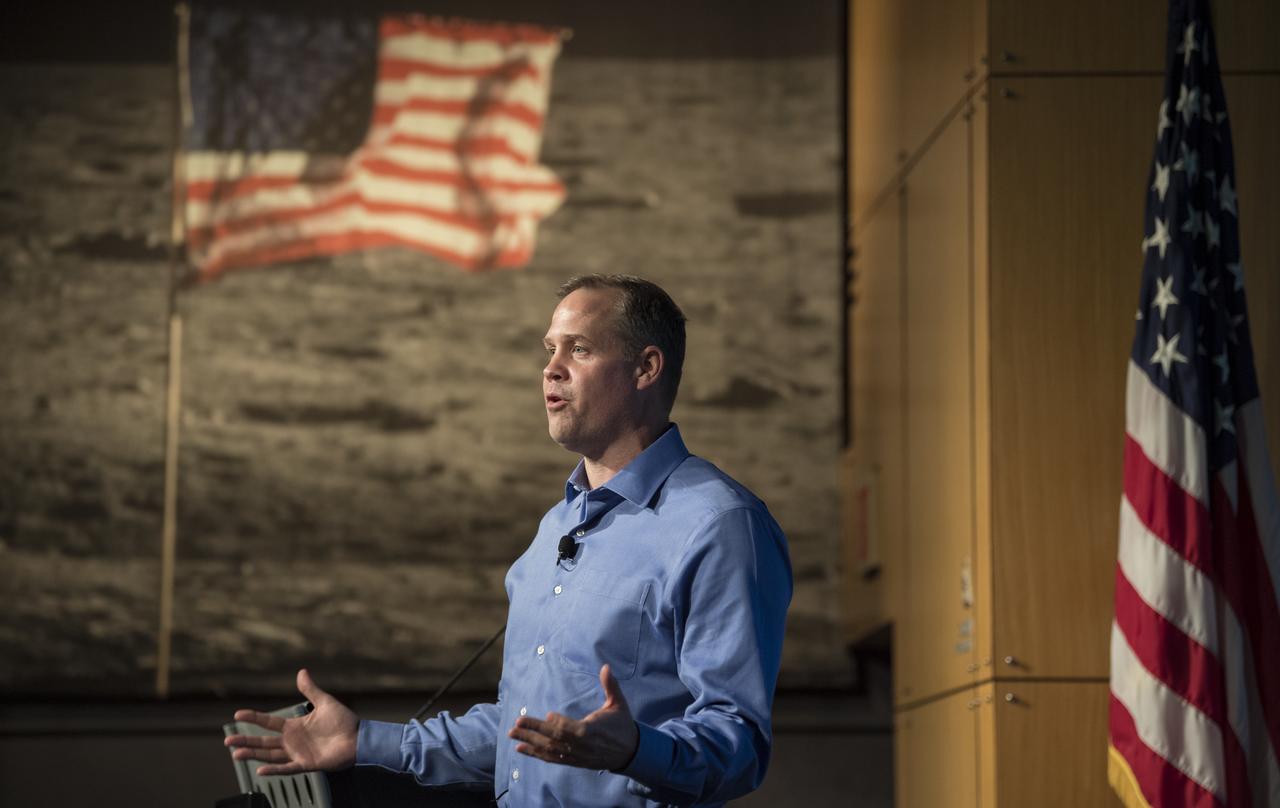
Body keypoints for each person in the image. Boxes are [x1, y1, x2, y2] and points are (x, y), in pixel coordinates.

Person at [225, 275, 793, 807]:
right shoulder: (555, 529)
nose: (551, 369)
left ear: (646, 368)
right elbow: (519, 731)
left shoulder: (718, 524)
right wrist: (367, 742)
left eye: (579, 350)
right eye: (548, 350)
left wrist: (635, 750)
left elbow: (737, 742)